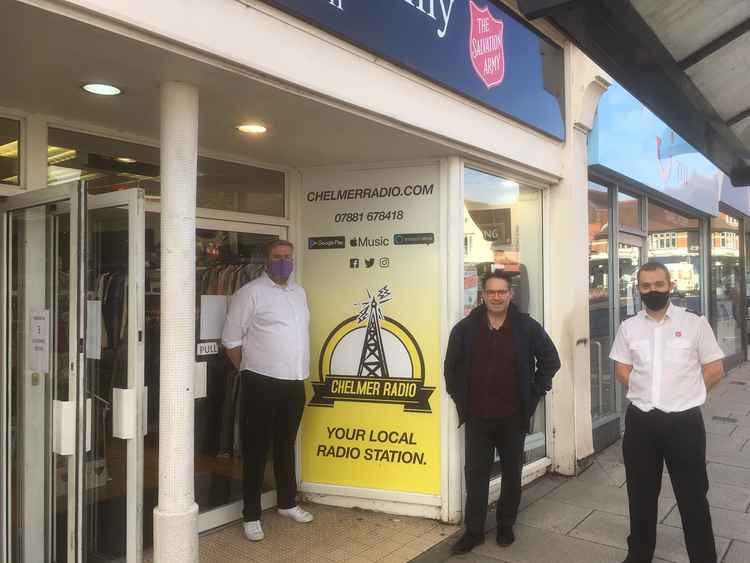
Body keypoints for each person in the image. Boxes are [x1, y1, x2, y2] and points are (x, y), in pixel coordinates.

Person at [609, 262, 724, 563]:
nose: (652, 291)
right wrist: (642, 388)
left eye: (658, 284)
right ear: (638, 289)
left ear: (670, 286)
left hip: (684, 423)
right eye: (646, 286)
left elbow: (714, 369)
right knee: (640, 495)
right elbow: (621, 367)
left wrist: (689, 393)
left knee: (693, 498)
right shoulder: (628, 327)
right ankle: (639, 555)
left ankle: (704, 558)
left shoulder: (694, 323)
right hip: (641, 422)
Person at [444, 270, 561, 554]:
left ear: (510, 295)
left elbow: (551, 360)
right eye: (491, 292)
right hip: (478, 418)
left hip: (513, 417)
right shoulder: (465, 328)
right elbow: (451, 368)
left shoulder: (527, 327)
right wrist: (463, 402)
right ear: (482, 295)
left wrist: (534, 394)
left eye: (501, 292)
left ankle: (505, 525)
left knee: (511, 473)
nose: (496, 297)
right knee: (475, 474)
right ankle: (473, 531)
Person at [221, 240, 313, 542]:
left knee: (286, 445)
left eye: (288, 257)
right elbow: (231, 340)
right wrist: (249, 371)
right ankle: (251, 515)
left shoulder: (298, 293)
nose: (283, 262)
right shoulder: (249, 294)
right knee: (256, 450)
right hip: (260, 382)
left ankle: (287, 502)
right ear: (266, 261)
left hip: (294, 382)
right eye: (277, 257)